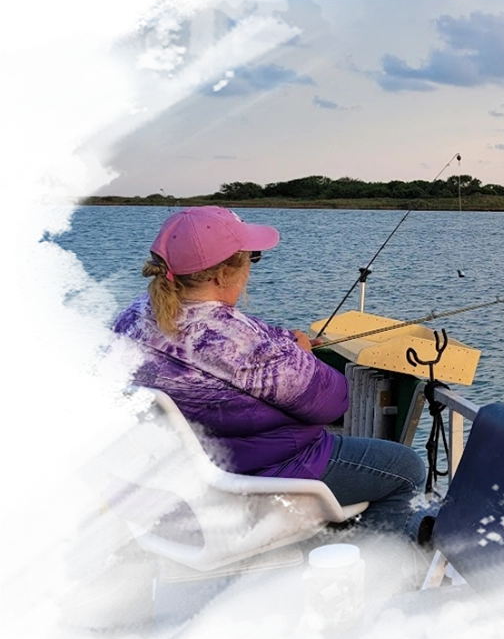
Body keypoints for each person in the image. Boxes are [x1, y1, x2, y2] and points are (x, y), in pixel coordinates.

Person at [97, 206, 425, 598]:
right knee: (406, 471)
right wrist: (304, 357)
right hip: (227, 501)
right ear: (223, 273)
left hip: (155, 500)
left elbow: (224, 353)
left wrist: (287, 343)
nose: (253, 266)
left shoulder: (132, 317)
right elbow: (334, 401)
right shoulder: (239, 341)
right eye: (251, 258)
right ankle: (370, 599)